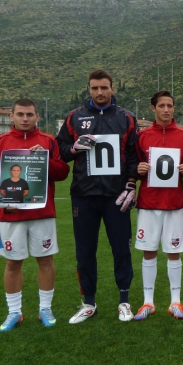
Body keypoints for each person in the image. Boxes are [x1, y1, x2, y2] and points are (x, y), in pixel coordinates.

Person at [57, 69, 139, 323]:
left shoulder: (127, 118)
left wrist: (131, 184)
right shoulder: (75, 117)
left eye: (104, 87)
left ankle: (124, 301)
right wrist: (73, 148)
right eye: (95, 88)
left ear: (112, 89)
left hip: (116, 196)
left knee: (121, 250)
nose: (100, 92)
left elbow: (134, 156)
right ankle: (89, 302)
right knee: (85, 251)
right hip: (84, 195)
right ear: (89, 89)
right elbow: (60, 150)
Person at [0, 98, 70, 331]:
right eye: (20, 114)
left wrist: (45, 160)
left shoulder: (49, 141)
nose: (25, 119)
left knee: (45, 260)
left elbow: (63, 173)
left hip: (42, 213)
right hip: (11, 215)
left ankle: (45, 308)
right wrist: (1, 202)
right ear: (11, 116)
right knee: (12, 263)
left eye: (29, 114)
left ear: (37, 116)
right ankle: (14, 312)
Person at [130, 90, 183, 320]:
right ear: (153, 108)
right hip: (149, 204)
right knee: (149, 252)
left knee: (174, 253)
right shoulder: (142, 136)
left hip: (174, 204)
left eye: (170, 105)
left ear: (174, 108)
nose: (166, 109)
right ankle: (148, 302)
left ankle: (176, 302)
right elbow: (133, 165)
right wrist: (138, 169)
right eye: (162, 105)